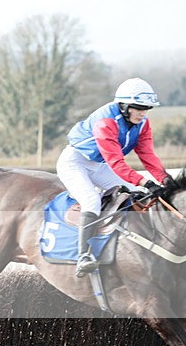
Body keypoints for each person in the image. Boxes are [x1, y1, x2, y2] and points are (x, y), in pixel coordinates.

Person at [56, 78, 172, 277]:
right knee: (91, 200)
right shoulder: (106, 122)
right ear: (124, 106)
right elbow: (116, 163)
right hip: (75, 162)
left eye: (146, 109)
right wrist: (146, 181)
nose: (143, 113)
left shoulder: (142, 123)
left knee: (137, 194)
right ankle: (83, 255)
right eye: (138, 108)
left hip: (99, 165)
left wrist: (166, 179)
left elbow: (147, 155)